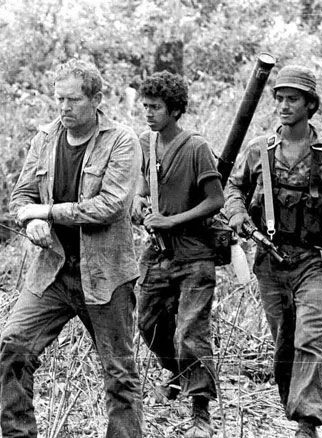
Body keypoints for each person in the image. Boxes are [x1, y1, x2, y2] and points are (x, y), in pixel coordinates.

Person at [0, 59, 143, 437]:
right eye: (59, 98)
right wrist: (31, 222)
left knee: (119, 373)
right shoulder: (44, 139)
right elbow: (21, 197)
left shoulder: (121, 141)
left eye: (73, 100)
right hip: (53, 273)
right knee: (15, 345)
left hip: (106, 278)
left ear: (96, 99)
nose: (64, 108)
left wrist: (46, 211)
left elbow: (110, 206)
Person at [224, 65, 322, 438]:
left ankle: (307, 422)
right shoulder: (259, 150)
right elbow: (233, 188)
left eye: (293, 99)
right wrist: (237, 213)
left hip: (313, 261)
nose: (285, 106)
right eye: (280, 99)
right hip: (270, 261)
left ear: (310, 105)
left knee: (309, 337)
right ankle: (296, 406)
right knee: (284, 342)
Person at [131, 71, 224, 438]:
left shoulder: (196, 148)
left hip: (193, 256)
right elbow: (143, 184)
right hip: (156, 254)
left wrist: (172, 221)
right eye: (146, 106)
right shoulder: (145, 143)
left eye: (155, 108)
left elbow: (215, 200)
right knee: (148, 325)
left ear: (174, 110)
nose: (148, 113)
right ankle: (180, 374)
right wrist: (140, 201)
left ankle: (200, 411)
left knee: (191, 332)